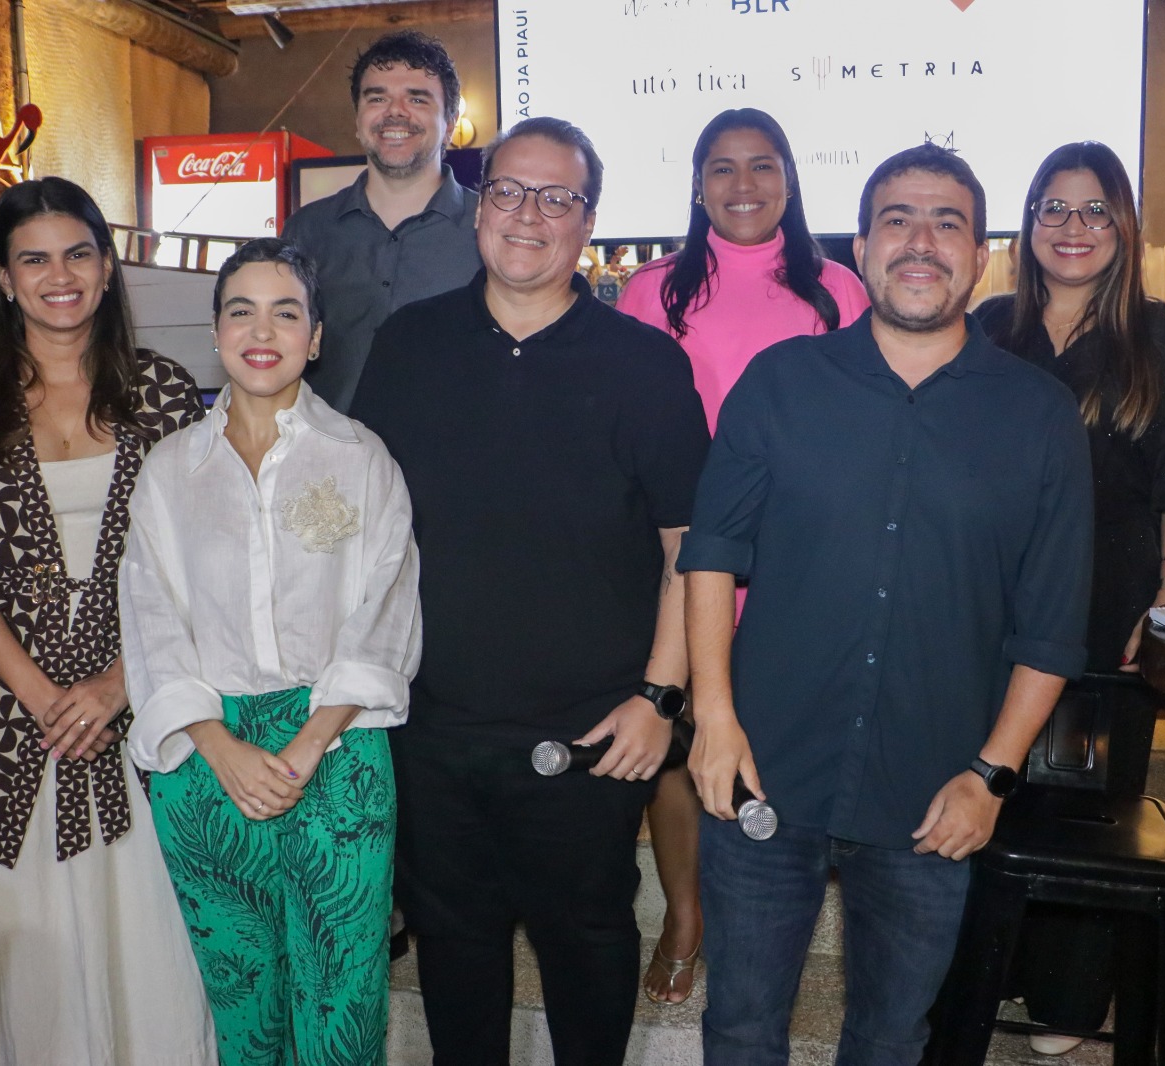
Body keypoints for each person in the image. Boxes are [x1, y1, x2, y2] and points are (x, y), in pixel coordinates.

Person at [678, 143, 1095, 1065]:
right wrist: (713, 718)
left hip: (934, 786)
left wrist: (991, 775)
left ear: (979, 257)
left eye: (947, 223)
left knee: (892, 1036)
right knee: (740, 1027)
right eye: (897, 220)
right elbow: (710, 556)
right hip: (764, 764)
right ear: (861, 249)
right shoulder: (782, 382)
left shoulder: (1039, 416)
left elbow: (1052, 627)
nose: (921, 241)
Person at [350, 116, 709, 1064]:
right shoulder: (409, 345)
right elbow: (358, 529)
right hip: (432, 726)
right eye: (509, 190)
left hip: (592, 732)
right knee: (454, 948)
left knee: (587, 944)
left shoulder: (645, 366)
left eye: (558, 198)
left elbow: (691, 551)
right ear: (479, 209)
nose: (528, 215)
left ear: (588, 223)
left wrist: (660, 698)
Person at [0, 176, 215, 1066]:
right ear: (3, 277)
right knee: (32, 970)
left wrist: (116, 685)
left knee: (153, 953)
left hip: (141, 713)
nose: (58, 276)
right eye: (34, 259)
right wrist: (43, 697)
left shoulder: (164, 393)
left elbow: (209, 564)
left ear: (106, 268)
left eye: (77, 254)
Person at [119, 237, 421, 1066]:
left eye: (285, 312)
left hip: (339, 749)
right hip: (203, 757)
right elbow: (150, 618)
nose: (262, 331)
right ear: (216, 332)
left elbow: (386, 609)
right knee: (243, 1004)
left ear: (315, 337)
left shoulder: (360, 458)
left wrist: (308, 742)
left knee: (342, 1001)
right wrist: (219, 745)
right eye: (240, 311)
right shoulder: (170, 470)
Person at [614, 106, 868, 1005]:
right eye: (722, 167)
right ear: (696, 186)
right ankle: (685, 914)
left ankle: (764, 916)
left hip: (802, 558)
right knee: (677, 744)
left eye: (763, 166)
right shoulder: (651, 292)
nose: (744, 184)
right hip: (682, 556)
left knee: (773, 736)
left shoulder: (840, 289)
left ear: (790, 181)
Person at [973, 140, 1165, 1057]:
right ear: (1028, 223)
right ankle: (980, 970)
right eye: (1055, 207)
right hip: (988, 594)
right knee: (987, 779)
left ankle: (1067, 1000)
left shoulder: (1153, 334)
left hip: (1106, 595)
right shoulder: (989, 326)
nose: (1072, 227)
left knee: (1082, 802)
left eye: (1094, 211)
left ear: (1122, 228)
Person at [281, 29, 481, 413]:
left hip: (455, 449)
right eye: (377, 98)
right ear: (357, 120)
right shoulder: (306, 232)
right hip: (327, 450)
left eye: (417, 98)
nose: (395, 112)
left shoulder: (489, 230)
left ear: (451, 122)